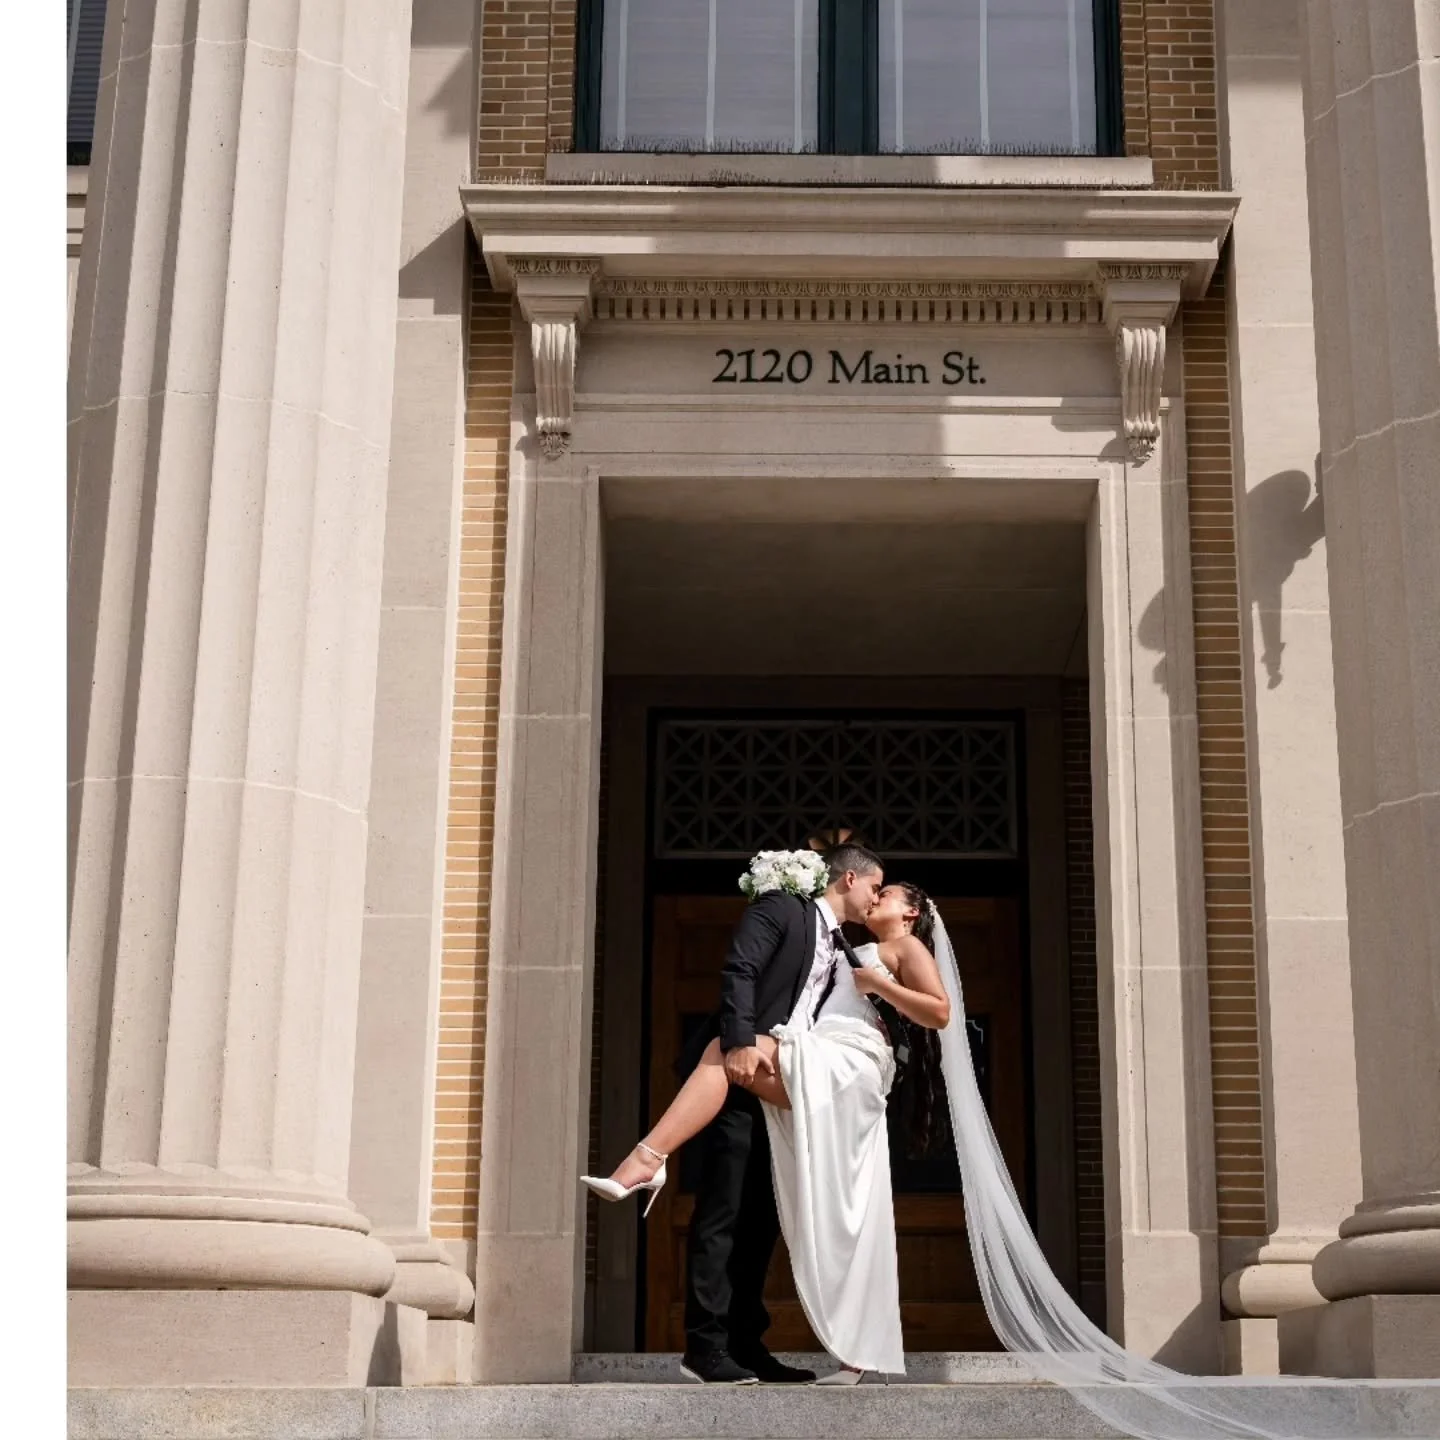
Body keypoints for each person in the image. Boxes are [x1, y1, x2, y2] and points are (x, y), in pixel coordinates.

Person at [583, 846, 951, 1385]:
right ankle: (709, 1345)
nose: (878, 896)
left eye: (888, 893)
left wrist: (877, 988)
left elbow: (934, 1011)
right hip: (771, 1071)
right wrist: (738, 1041)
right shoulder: (791, 912)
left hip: (821, 1068)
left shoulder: (884, 948)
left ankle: (652, 1164)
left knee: (762, 1218)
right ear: (850, 878)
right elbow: (741, 969)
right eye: (878, 887)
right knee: (731, 1210)